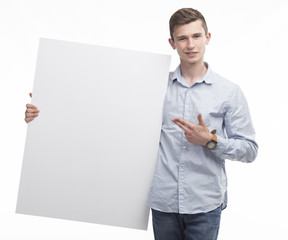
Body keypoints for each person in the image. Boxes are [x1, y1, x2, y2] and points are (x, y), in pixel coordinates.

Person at [25, 8, 258, 240]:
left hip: (204, 204)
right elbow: (105, 114)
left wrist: (211, 141)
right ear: (172, 42)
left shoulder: (229, 92)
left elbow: (249, 150)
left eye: (196, 36)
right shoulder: (153, 86)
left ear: (207, 38)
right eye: (182, 38)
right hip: (163, 203)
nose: (190, 44)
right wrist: (48, 108)